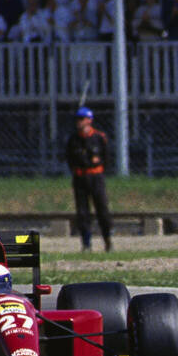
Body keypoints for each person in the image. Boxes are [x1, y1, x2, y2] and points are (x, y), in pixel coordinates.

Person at [65, 106, 113, 252]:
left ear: (89, 120)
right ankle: (86, 243)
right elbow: (69, 158)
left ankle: (107, 240)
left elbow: (106, 158)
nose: (79, 122)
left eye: (82, 119)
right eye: (77, 119)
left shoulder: (99, 137)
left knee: (102, 209)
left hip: (96, 176)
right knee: (82, 212)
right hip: (80, 177)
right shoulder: (73, 139)